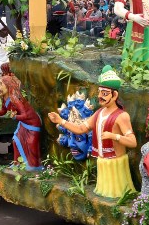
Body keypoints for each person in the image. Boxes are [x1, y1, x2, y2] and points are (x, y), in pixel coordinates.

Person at [47, 66, 137, 198]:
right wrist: (61, 121)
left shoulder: (122, 116)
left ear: (114, 95)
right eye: (99, 92)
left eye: (104, 93)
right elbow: (81, 129)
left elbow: (133, 142)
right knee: (104, 195)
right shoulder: (99, 113)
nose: (100, 96)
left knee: (116, 194)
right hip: (102, 162)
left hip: (115, 163)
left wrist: (114, 136)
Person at [0, 75, 42, 170]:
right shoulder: (5, 98)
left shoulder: (15, 99)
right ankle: (17, 163)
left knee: (31, 144)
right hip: (23, 123)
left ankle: (34, 166)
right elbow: (3, 111)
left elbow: (25, 115)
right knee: (15, 142)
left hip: (32, 123)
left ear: (8, 86)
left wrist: (14, 117)